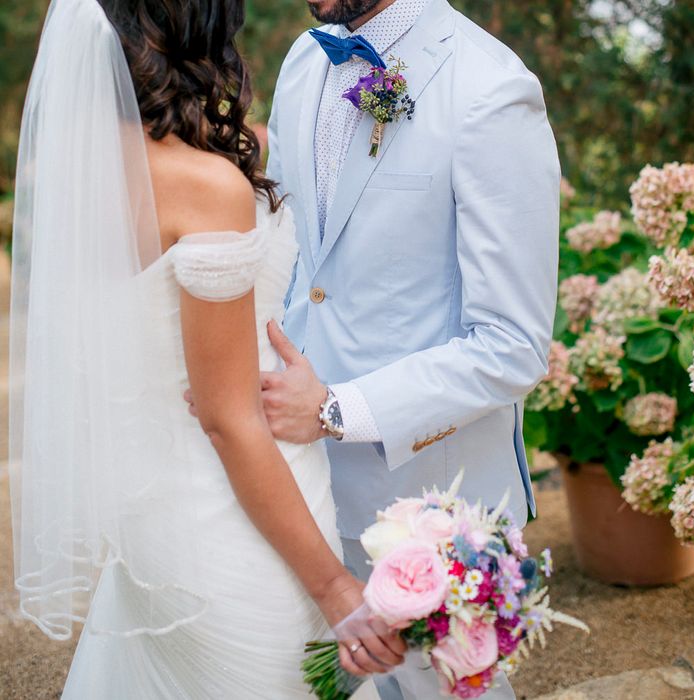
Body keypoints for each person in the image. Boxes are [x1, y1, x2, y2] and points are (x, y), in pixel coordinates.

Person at [9, 0, 403, 697]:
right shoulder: (207, 185)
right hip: (231, 514)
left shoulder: (99, 168)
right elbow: (227, 418)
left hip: (158, 509)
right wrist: (336, 588)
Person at [259, 0, 560, 697]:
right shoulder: (304, 63)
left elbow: (512, 345)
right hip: (300, 485)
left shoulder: (490, 88)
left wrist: (336, 409)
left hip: (430, 513)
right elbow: (299, 266)